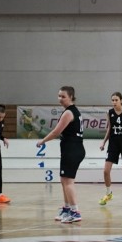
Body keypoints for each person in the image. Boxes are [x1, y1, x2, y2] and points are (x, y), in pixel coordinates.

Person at [36, 86, 86, 223]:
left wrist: (42, 141)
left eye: (63, 96)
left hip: (72, 150)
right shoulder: (71, 111)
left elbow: (56, 132)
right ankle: (67, 208)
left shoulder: (69, 113)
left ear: (71, 97)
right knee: (64, 180)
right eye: (59, 96)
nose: (60, 99)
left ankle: (75, 212)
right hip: (70, 149)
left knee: (68, 182)